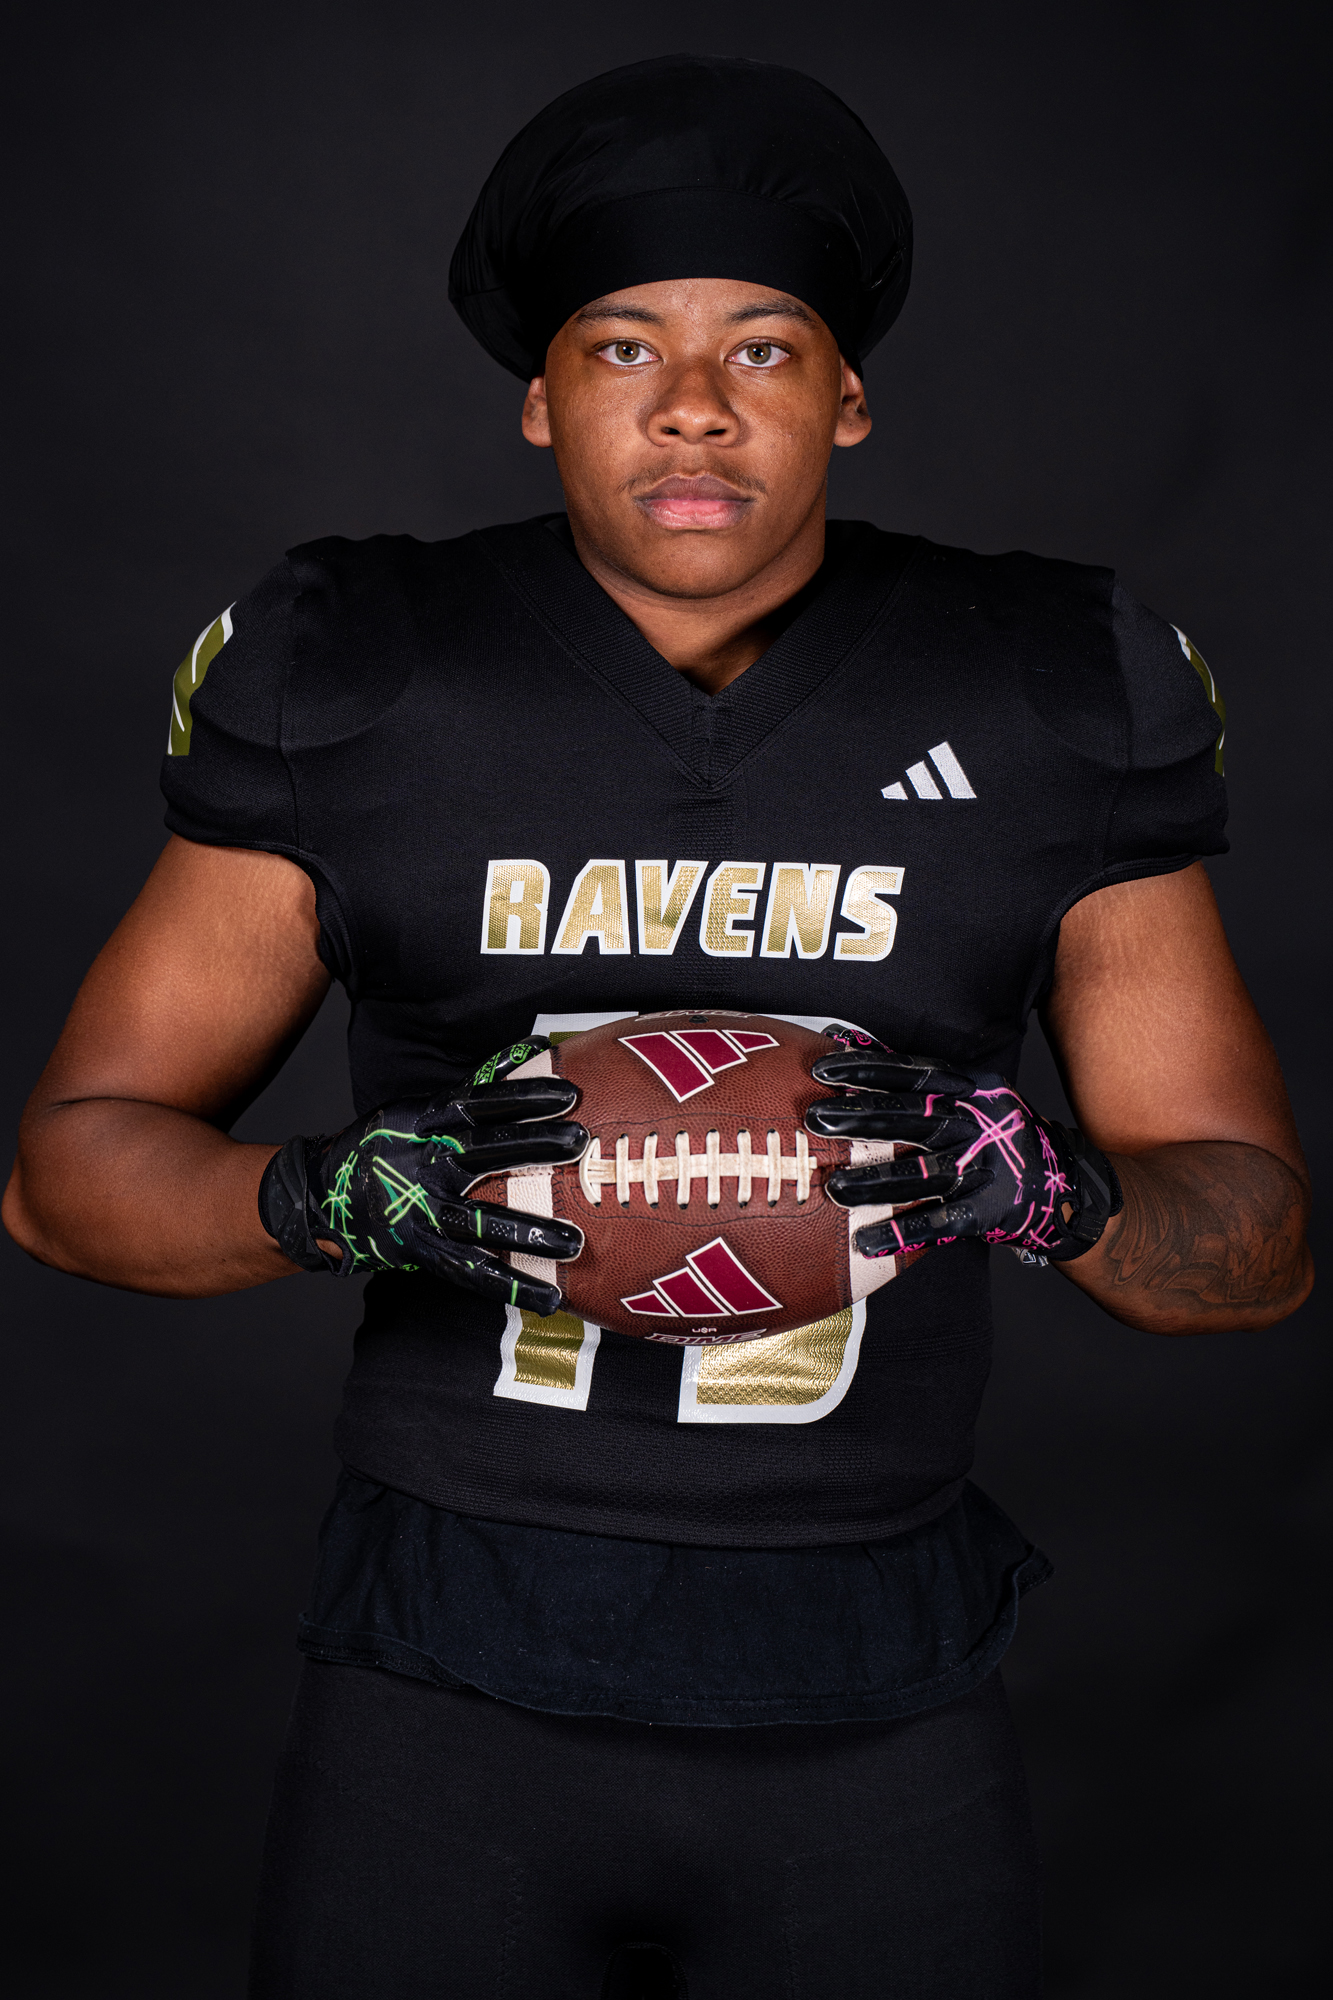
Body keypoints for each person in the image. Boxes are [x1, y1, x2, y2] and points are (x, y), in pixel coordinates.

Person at [3, 53, 1311, 2000]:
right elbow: (61, 1177)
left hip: (874, 1690)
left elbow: (1258, 1243)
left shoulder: (1048, 688)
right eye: (622, 346)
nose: (691, 403)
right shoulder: (358, 670)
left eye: (761, 347)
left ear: (847, 394)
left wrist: (1051, 1193)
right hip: (442, 1683)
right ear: (540, 394)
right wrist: (331, 1197)